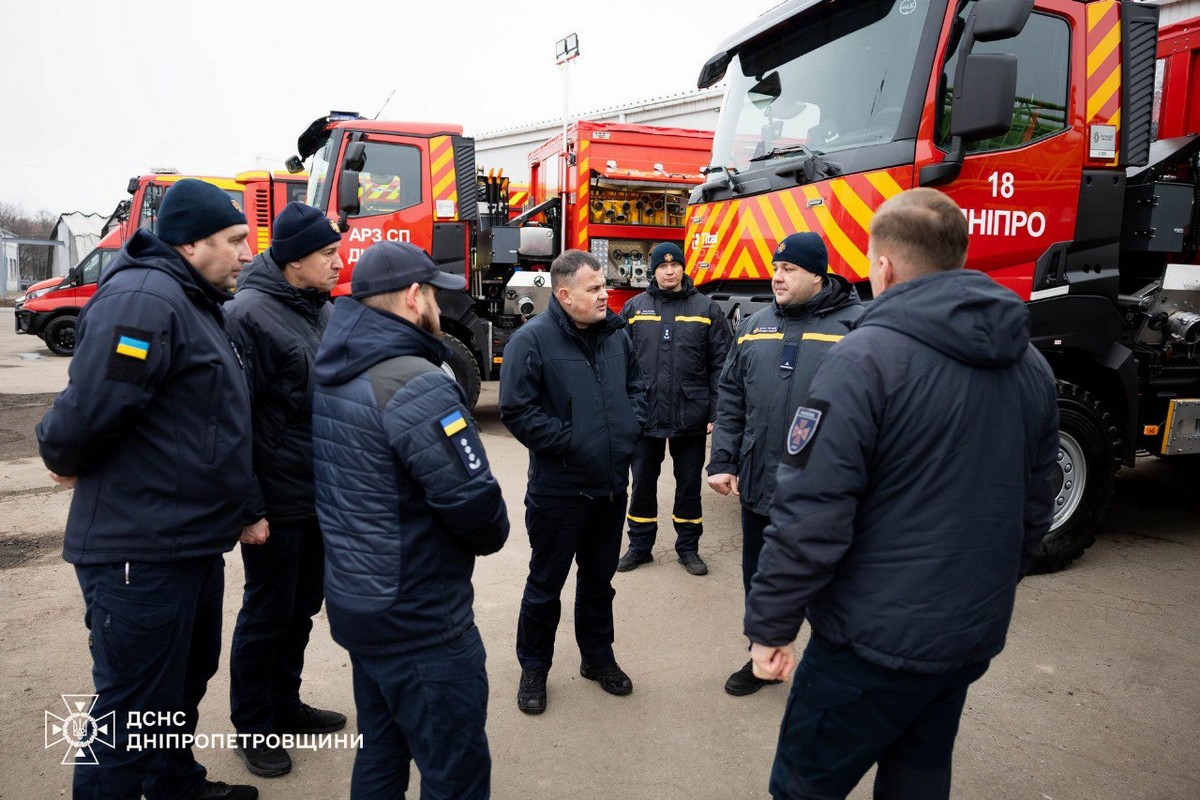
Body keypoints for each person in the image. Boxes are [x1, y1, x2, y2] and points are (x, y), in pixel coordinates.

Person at [746, 189, 1059, 799]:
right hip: (962, 638)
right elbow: (1033, 507)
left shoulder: (864, 358)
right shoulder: (1031, 366)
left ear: (883, 265)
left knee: (804, 786)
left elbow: (812, 512)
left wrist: (771, 623)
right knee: (918, 779)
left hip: (868, 645)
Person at [36, 178, 259, 800]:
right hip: (141, 547)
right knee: (132, 708)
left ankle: (171, 784)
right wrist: (63, 454)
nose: (248, 253)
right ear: (190, 244)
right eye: (236, 240)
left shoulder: (191, 299)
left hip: (184, 539)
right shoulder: (143, 299)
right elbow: (91, 407)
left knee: (181, 681)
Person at [311, 241, 508, 799]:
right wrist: (492, 528)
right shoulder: (415, 382)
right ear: (412, 297)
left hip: (360, 602)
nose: (439, 313)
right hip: (419, 617)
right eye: (435, 298)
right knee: (455, 769)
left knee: (381, 748)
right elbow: (476, 508)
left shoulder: (337, 366)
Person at [707, 231, 863, 697]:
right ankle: (763, 658)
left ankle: (827, 668)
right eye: (776, 268)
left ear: (818, 273)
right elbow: (732, 395)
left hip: (825, 492)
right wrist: (722, 460)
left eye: (789, 269)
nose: (777, 277)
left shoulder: (857, 326)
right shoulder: (754, 324)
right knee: (761, 578)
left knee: (830, 584)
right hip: (760, 481)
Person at [224, 202, 347, 778]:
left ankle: (285, 703)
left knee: (301, 607)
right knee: (268, 612)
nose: (337, 262)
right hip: (275, 499)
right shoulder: (247, 314)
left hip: (317, 490)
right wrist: (250, 507)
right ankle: (254, 724)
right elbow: (233, 420)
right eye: (327, 254)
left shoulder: (315, 308)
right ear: (295, 260)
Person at [499, 249, 647, 715]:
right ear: (564, 295)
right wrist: (573, 440)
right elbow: (516, 411)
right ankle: (534, 668)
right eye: (594, 289)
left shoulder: (617, 337)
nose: (605, 295)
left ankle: (597, 659)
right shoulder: (532, 340)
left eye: (604, 286)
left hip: (609, 487)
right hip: (558, 492)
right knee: (546, 585)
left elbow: (637, 390)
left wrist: (627, 428)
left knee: (599, 582)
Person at [617, 242, 730, 576]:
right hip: (645, 415)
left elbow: (721, 366)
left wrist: (716, 412)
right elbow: (619, 361)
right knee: (642, 484)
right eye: (662, 266)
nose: (669, 271)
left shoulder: (706, 309)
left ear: (683, 268)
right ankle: (639, 546)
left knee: (688, 484)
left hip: (691, 416)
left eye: (675, 265)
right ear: (653, 270)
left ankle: (688, 549)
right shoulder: (635, 308)